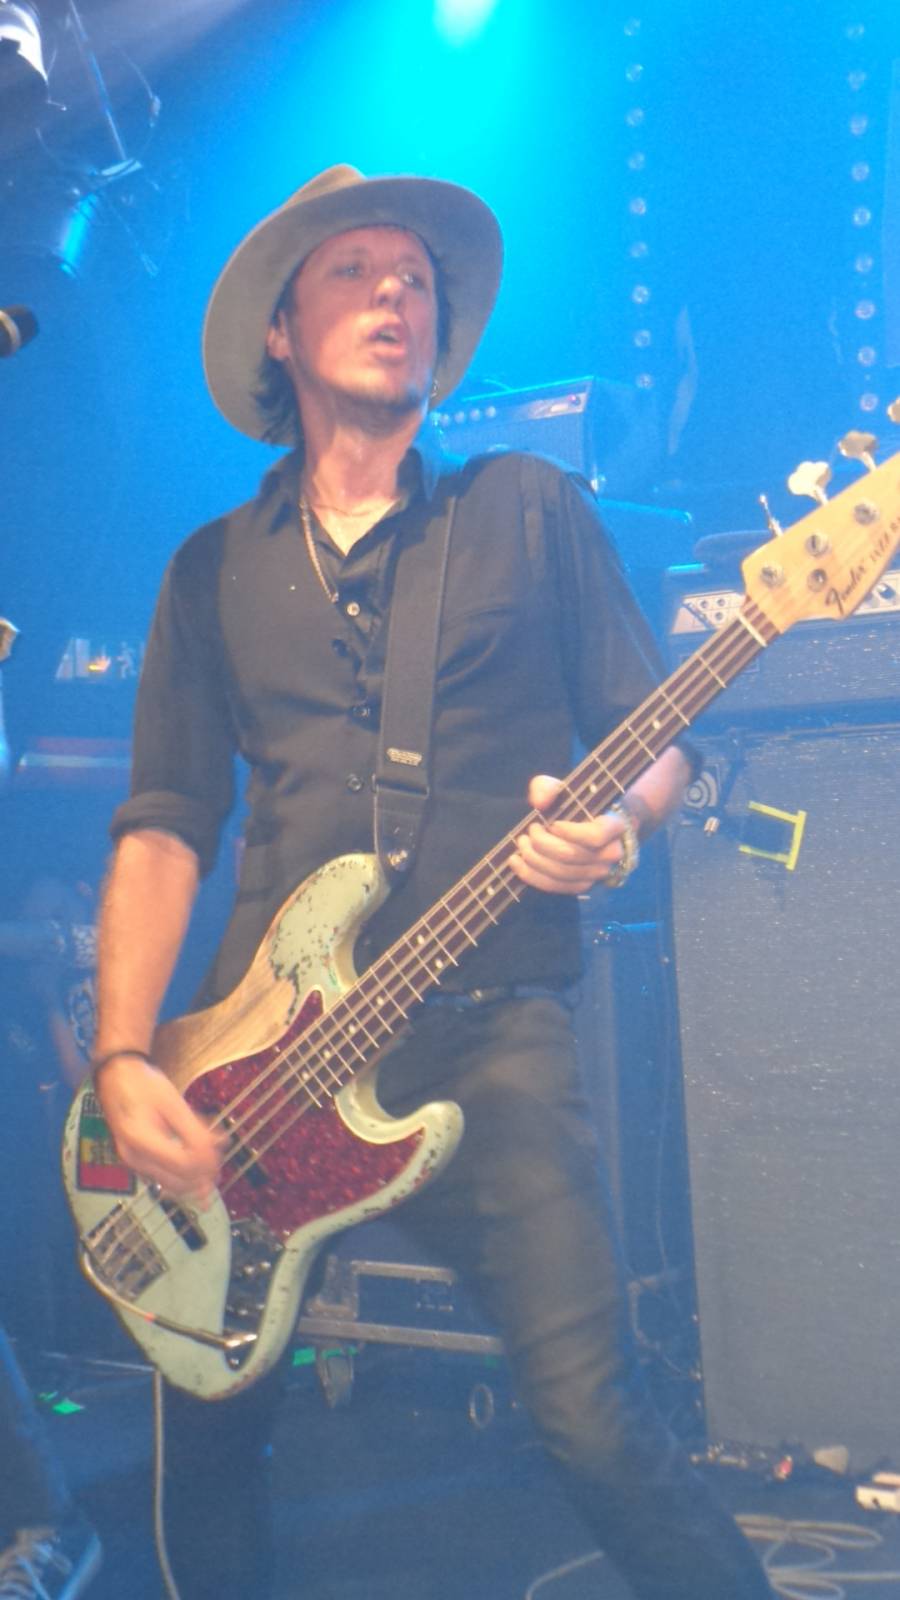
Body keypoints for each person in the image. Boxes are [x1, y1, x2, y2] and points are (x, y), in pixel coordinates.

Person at [90, 165, 772, 1599]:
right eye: (354, 271)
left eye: (414, 276)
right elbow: (163, 827)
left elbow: (654, 742)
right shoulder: (211, 570)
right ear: (281, 330)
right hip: (255, 1064)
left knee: (595, 1419)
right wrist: (123, 1053)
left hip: (490, 1029)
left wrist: (618, 825)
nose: (395, 292)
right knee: (207, 1438)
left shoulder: (525, 507)